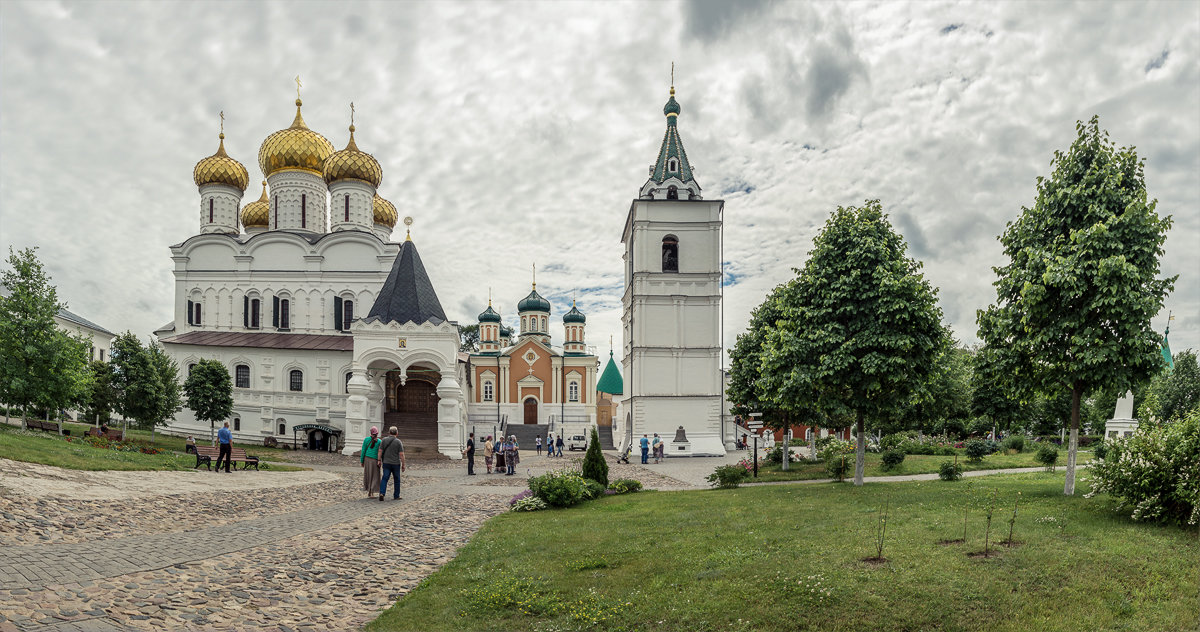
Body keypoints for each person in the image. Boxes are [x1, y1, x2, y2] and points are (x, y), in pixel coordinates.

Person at [378, 426, 406, 501]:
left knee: (385, 478)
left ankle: (382, 493)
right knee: (397, 479)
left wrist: (379, 460)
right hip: (395, 463)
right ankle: (396, 495)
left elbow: (380, 451)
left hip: (386, 462)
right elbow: (401, 454)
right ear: (397, 433)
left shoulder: (384, 440)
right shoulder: (398, 442)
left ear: (389, 432)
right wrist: (403, 464)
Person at [361, 426, 382, 498]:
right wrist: (380, 460)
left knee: (368, 475)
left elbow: (363, 451)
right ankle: (372, 491)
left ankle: (369, 491)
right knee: (375, 476)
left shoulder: (366, 440)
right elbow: (380, 452)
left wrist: (362, 461)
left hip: (367, 459)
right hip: (375, 460)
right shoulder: (379, 441)